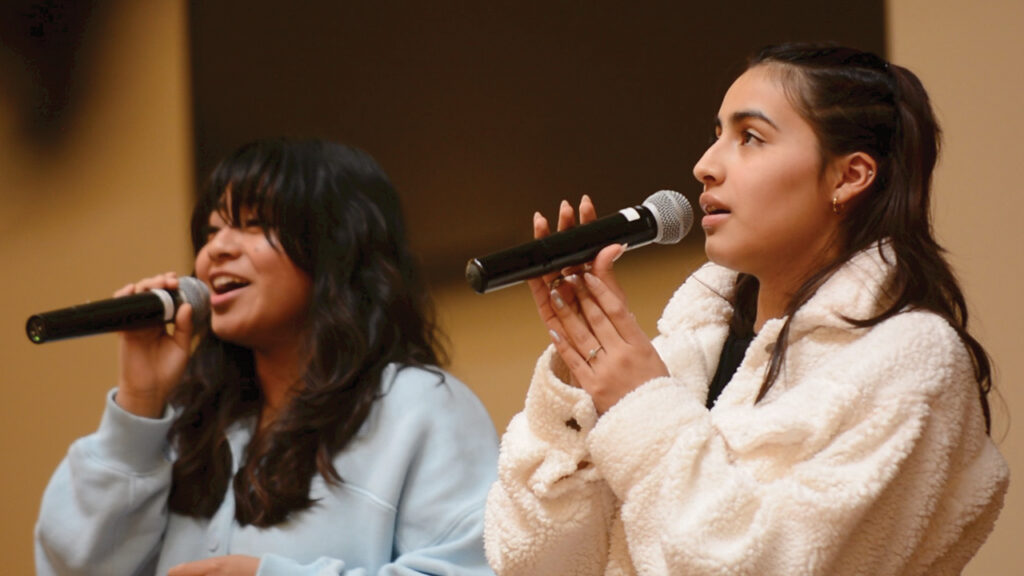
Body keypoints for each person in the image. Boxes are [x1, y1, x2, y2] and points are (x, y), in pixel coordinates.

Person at [483, 43, 1009, 575]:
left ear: (849, 176)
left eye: (750, 138)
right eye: (717, 136)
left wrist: (639, 408)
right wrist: (582, 383)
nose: (705, 167)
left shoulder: (909, 360)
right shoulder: (686, 354)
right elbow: (531, 562)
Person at [35, 139, 499, 575]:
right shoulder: (191, 423)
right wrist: (141, 401)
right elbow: (69, 567)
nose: (217, 248)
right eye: (211, 231)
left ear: (337, 246)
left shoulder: (419, 407)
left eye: (253, 225)